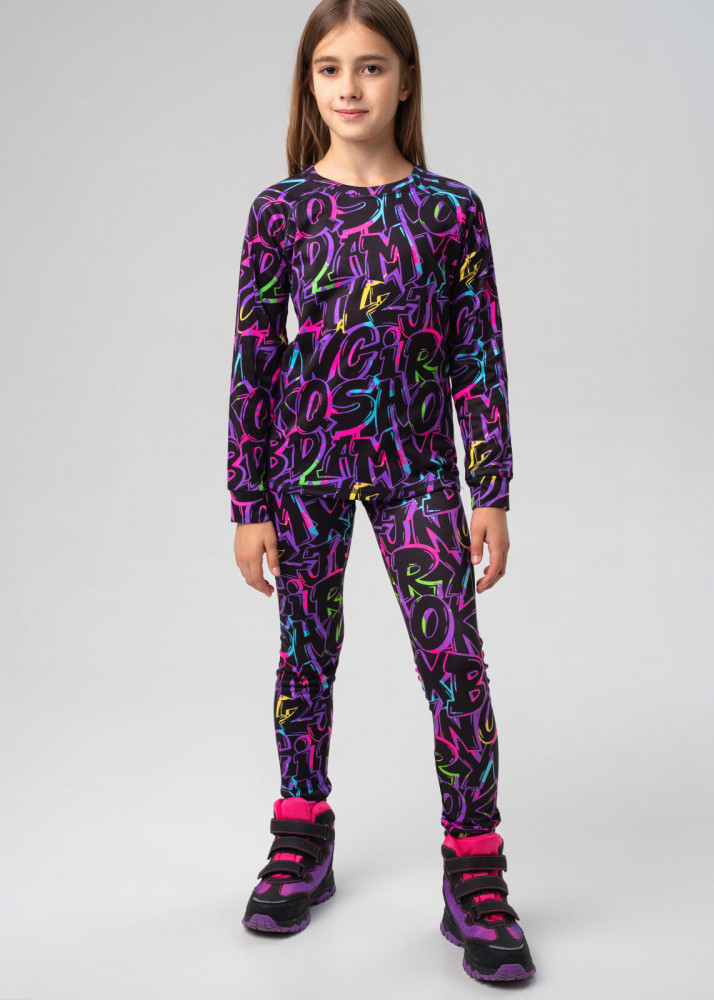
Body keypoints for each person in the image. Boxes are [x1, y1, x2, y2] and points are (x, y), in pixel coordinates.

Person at [226, 0, 535, 982]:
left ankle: (474, 867)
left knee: (456, 662)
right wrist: (247, 500)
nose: (349, 87)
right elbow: (254, 357)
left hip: (417, 471)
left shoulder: (449, 209)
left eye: (369, 67)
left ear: (404, 79)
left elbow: (479, 353)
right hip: (302, 467)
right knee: (305, 655)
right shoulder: (282, 211)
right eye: (329, 69)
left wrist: (491, 485)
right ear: (309, 85)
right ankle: (301, 835)